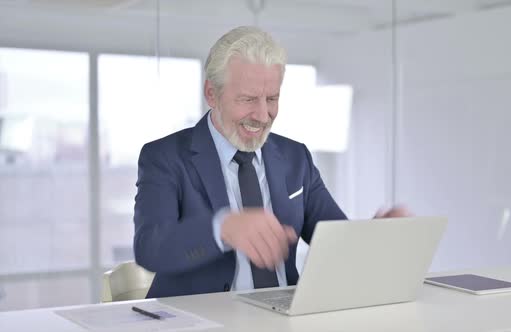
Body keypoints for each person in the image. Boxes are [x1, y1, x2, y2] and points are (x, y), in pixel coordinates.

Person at [133, 26, 408, 298]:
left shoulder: (295, 157)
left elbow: (334, 239)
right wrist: (224, 228)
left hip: (283, 318)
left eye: (272, 98)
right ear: (211, 94)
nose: (263, 116)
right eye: (248, 99)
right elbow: (151, 248)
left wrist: (373, 237)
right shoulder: (164, 157)